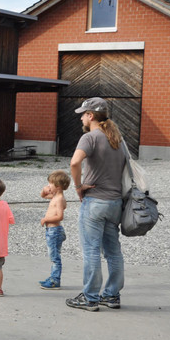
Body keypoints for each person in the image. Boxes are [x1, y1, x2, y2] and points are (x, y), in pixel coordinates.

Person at [67, 97, 125, 312]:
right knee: (113, 252)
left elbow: (74, 162)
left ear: (91, 116)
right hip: (115, 202)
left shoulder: (90, 137)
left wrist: (78, 186)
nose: (81, 118)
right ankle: (112, 295)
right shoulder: (117, 138)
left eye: (83, 114)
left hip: (95, 202)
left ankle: (90, 298)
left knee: (91, 250)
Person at [38, 170, 70, 289]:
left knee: (55, 257)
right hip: (51, 231)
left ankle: (55, 280)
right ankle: (52, 277)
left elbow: (60, 216)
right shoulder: (55, 196)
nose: (48, 186)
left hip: (54, 231)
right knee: (53, 256)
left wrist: (46, 219)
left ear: (58, 186)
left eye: (50, 184)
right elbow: (43, 196)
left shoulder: (59, 199)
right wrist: (44, 190)